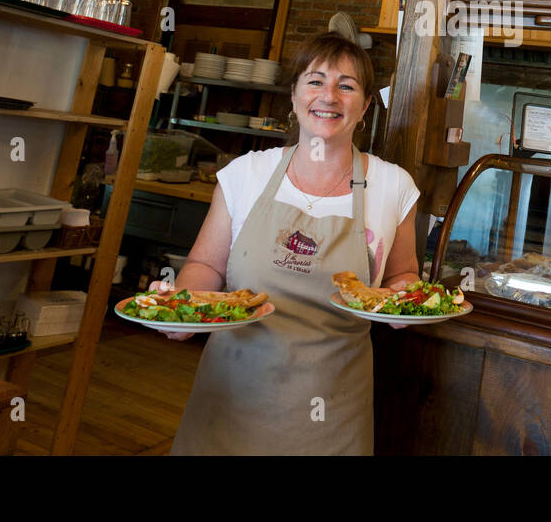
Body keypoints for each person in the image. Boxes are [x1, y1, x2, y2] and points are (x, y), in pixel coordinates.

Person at [159, 31, 421, 455]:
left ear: (366, 106)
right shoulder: (245, 175)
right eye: (315, 81)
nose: (329, 96)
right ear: (295, 95)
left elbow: (403, 275)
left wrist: (405, 303)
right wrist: (182, 309)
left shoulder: (393, 186)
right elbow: (205, 266)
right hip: (231, 394)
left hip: (332, 407)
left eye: (347, 86)